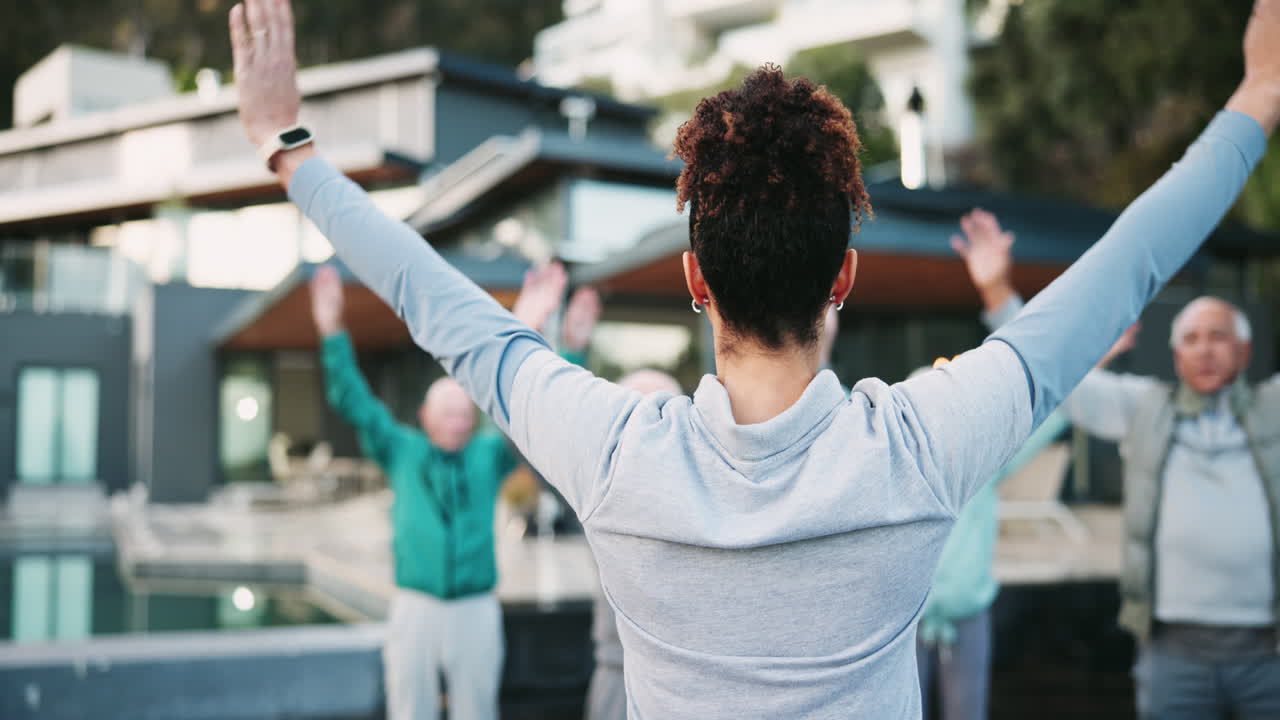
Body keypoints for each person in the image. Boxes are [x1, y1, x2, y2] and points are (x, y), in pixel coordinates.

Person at [229, 0, 1280, 715]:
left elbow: (438, 305)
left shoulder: (611, 453)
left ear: (695, 284)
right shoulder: (921, 445)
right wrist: (1253, 106)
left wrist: (293, 150)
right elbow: (1127, 262)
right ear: (842, 281)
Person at [954, 211, 1280, 719]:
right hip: (1173, 651)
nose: (1205, 349)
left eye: (1217, 336)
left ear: (1245, 349)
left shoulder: (1273, 410)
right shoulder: (1145, 408)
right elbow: (1053, 374)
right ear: (1174, 356)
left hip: (1267, 650)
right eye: (1190, 339)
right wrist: (997, 290)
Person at [308, 263, 597, 720]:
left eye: (465, 413)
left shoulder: (488, 453)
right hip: (414, 604)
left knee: (478, 709)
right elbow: (353, 399)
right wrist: (332, 331)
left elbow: (535, 411)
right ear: (425, 415)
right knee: (409, 708)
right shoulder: (400, 448)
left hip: (476, 608)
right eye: (448, 412)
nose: (459, 420)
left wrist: (566, 343)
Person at [585, 368, 684, 720]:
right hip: (617, 672)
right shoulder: (595, 481)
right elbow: (529, 438)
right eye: (632, 413)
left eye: (659, 410)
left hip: (685, 686)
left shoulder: (703, 484)